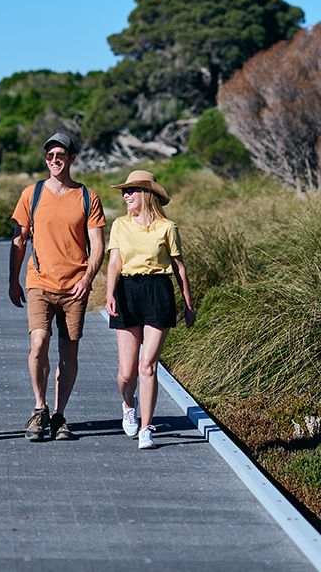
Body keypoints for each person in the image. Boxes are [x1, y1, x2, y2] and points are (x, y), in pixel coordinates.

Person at [9, 132, 105, 442]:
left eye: (60, 155)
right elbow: (19, 239)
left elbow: (98, 246)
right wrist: (13, 280)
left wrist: (87, 280)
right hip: (39, 282)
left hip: (75, 286)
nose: (54, 160)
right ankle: (40, 409)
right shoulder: (32, 194)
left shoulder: (87, 197)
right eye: (50, 156)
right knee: (38, 344)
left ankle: (59, 415)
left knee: (69, 354)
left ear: (71, 158)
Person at [104, 170, 193, 450]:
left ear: (146, 194)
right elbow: (115, 263)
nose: (125, 196)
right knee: (127, 372)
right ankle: (128, 404)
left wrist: (189, 305)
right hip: (127, 291)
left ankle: (146, 428)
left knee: (147, 365)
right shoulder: (120, 225)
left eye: (131, 191)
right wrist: (109, 293)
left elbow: (179, 267)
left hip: (158, 290)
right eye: (124, 191)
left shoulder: (168, 227)